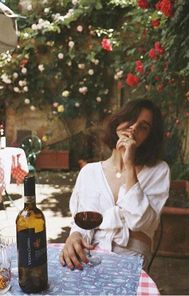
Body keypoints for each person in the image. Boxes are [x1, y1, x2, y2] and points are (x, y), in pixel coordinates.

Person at [59, 98, 170, 270]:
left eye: (143, 127)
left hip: (130, 258)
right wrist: (74, 236)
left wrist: (129, 166)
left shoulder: (158, 171)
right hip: (89, 253)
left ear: (148, 137)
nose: (134, 127)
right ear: (118, 121)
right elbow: (82, 221)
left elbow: (141, 223)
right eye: (131, 119)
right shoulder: (89, 172)